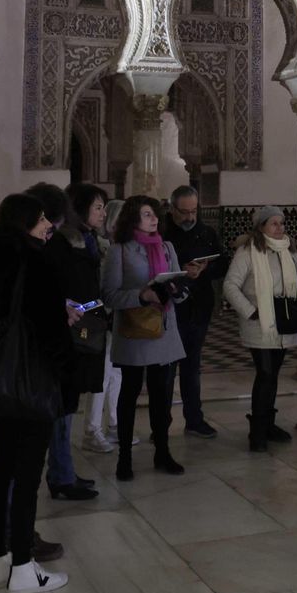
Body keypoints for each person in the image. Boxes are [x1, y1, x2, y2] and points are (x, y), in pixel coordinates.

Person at [0, 191, 74, 593]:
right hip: (32, 380)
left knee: (0, 471)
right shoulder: (33, 259)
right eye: (42, 219)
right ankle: (25, 569)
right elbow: (48, 330)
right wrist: (66, 372)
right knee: (27, 477)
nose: (47, 225)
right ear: (27, 222)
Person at [103, 195, 189, 480]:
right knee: (129, 394)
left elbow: (180, 289)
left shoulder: (166, 247)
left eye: (155, 214)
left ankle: (162, 451)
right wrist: (141, 295)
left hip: (163, 332)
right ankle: (124, 457)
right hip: (134, 333)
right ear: (133, 218)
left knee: (162, 396)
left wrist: (177, 290)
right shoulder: (120, 251)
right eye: (147, 214)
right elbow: (109, 296)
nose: (154, 219)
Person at [41, 183, 109, 502]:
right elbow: (61, 287)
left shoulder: (88, 240)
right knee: (63, 403)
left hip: (86, 325)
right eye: (97, 207)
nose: (103, 213)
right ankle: (61, 475)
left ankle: (63, 470)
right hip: (69, 328)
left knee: (71, 401)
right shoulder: (63, 242)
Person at [224, 206, 297, 450]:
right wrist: (251, 311)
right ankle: (257, 431)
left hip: (283, 322)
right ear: (261, 227)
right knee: (265, 375)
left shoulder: (288, 250)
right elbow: (230, 286)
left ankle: (268, 424)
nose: (280, 228)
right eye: (274, 223)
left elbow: (296, 282)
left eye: (282, 223)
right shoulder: (247, 251)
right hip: (259, 324)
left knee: (272, 376)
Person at [162, 185, 230, 439]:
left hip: (199, 308)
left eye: (194, 211)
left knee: (192, 366)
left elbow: (222, 263)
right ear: (172, 209)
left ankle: (194, 419)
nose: (190, 217)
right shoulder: (162, 233)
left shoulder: (207, 232)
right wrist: (182, 271)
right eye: (184, 212)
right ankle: (162, 422)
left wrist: (204, 270)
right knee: (167, 369)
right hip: (171, 309)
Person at [82, 198, 136, 454]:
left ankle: (114, 424)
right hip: (100, 318)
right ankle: (92, 430)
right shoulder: (101, 248)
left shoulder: (122, 248)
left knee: (117, 372)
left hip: (118, 318)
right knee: (102, 374)